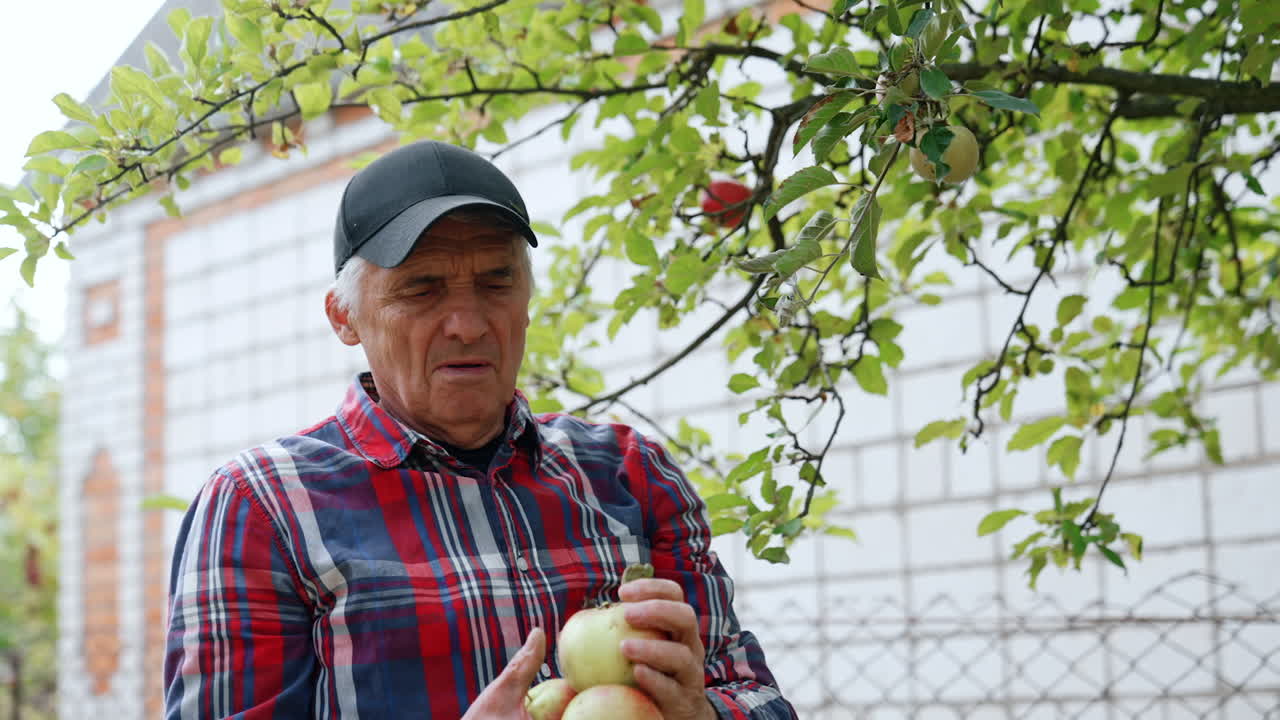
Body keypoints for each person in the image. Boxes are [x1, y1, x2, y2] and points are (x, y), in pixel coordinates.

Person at [163, 140, 798, 719]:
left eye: (497, 280)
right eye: (422, 289)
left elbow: (758, 697)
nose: (467, 323)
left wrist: (702, 714)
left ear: (526, 297)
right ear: (344, 317)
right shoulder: (261, 506)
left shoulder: (628, 473)